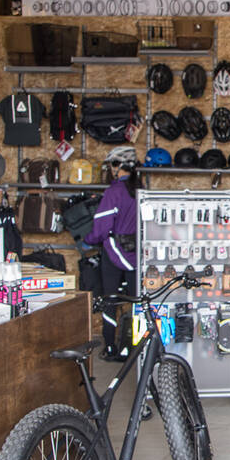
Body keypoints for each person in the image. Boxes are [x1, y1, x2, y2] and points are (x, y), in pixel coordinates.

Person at [85, 146, 139, 361]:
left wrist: (86, 241)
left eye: (111, 165)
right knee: (138, 301)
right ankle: (137, 347)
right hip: (136, 252)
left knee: (110, 301)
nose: (110, 170)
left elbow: (100, 229)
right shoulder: (141, 189)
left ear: (118, 167)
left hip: (114, 252)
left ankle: (110, 347)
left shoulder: (113, 192)